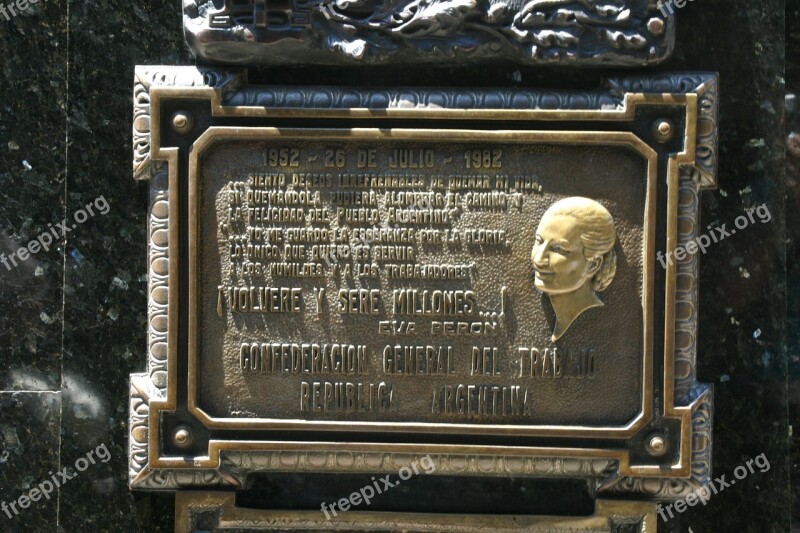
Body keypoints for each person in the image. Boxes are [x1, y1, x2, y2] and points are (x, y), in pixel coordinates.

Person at [531, 197, 617, 341]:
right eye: (539, 241)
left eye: (558, 249)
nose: (538, 260)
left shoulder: (602, 328)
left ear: (593, 265)